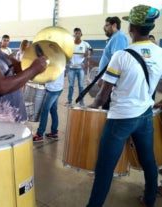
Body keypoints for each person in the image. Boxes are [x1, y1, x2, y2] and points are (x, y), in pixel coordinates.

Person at [86, 5, 162, 207]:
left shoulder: (121, 55)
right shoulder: (160, 53)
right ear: (150, 28)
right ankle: (149, 200)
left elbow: (104, 94)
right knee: (148, 161)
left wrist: (93, 106)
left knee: (104, 168)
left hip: (120, 119)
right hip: (145, 116)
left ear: (132, 28)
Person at [33, 70, 65, 142]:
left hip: (53, 89)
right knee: (53, 110)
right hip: (57, 87)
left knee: (45, 110)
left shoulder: (56, 61)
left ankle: (39, 134)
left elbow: (50, 76)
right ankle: (54, 132)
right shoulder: (60, 59)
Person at [66, 28, 91, 106]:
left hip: (80, 68)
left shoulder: (85, 44)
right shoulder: (70, 44)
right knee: (70, 86)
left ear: (81, 34)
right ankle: (69, 101)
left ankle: (81, 101)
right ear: (74, 34)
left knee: (81, 86)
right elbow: (66, 53)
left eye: (79, 33)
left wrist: (88, 53)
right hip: (71, 68)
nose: (77, 35)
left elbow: (91, 50)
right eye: (76, 33)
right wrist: (68, 60)